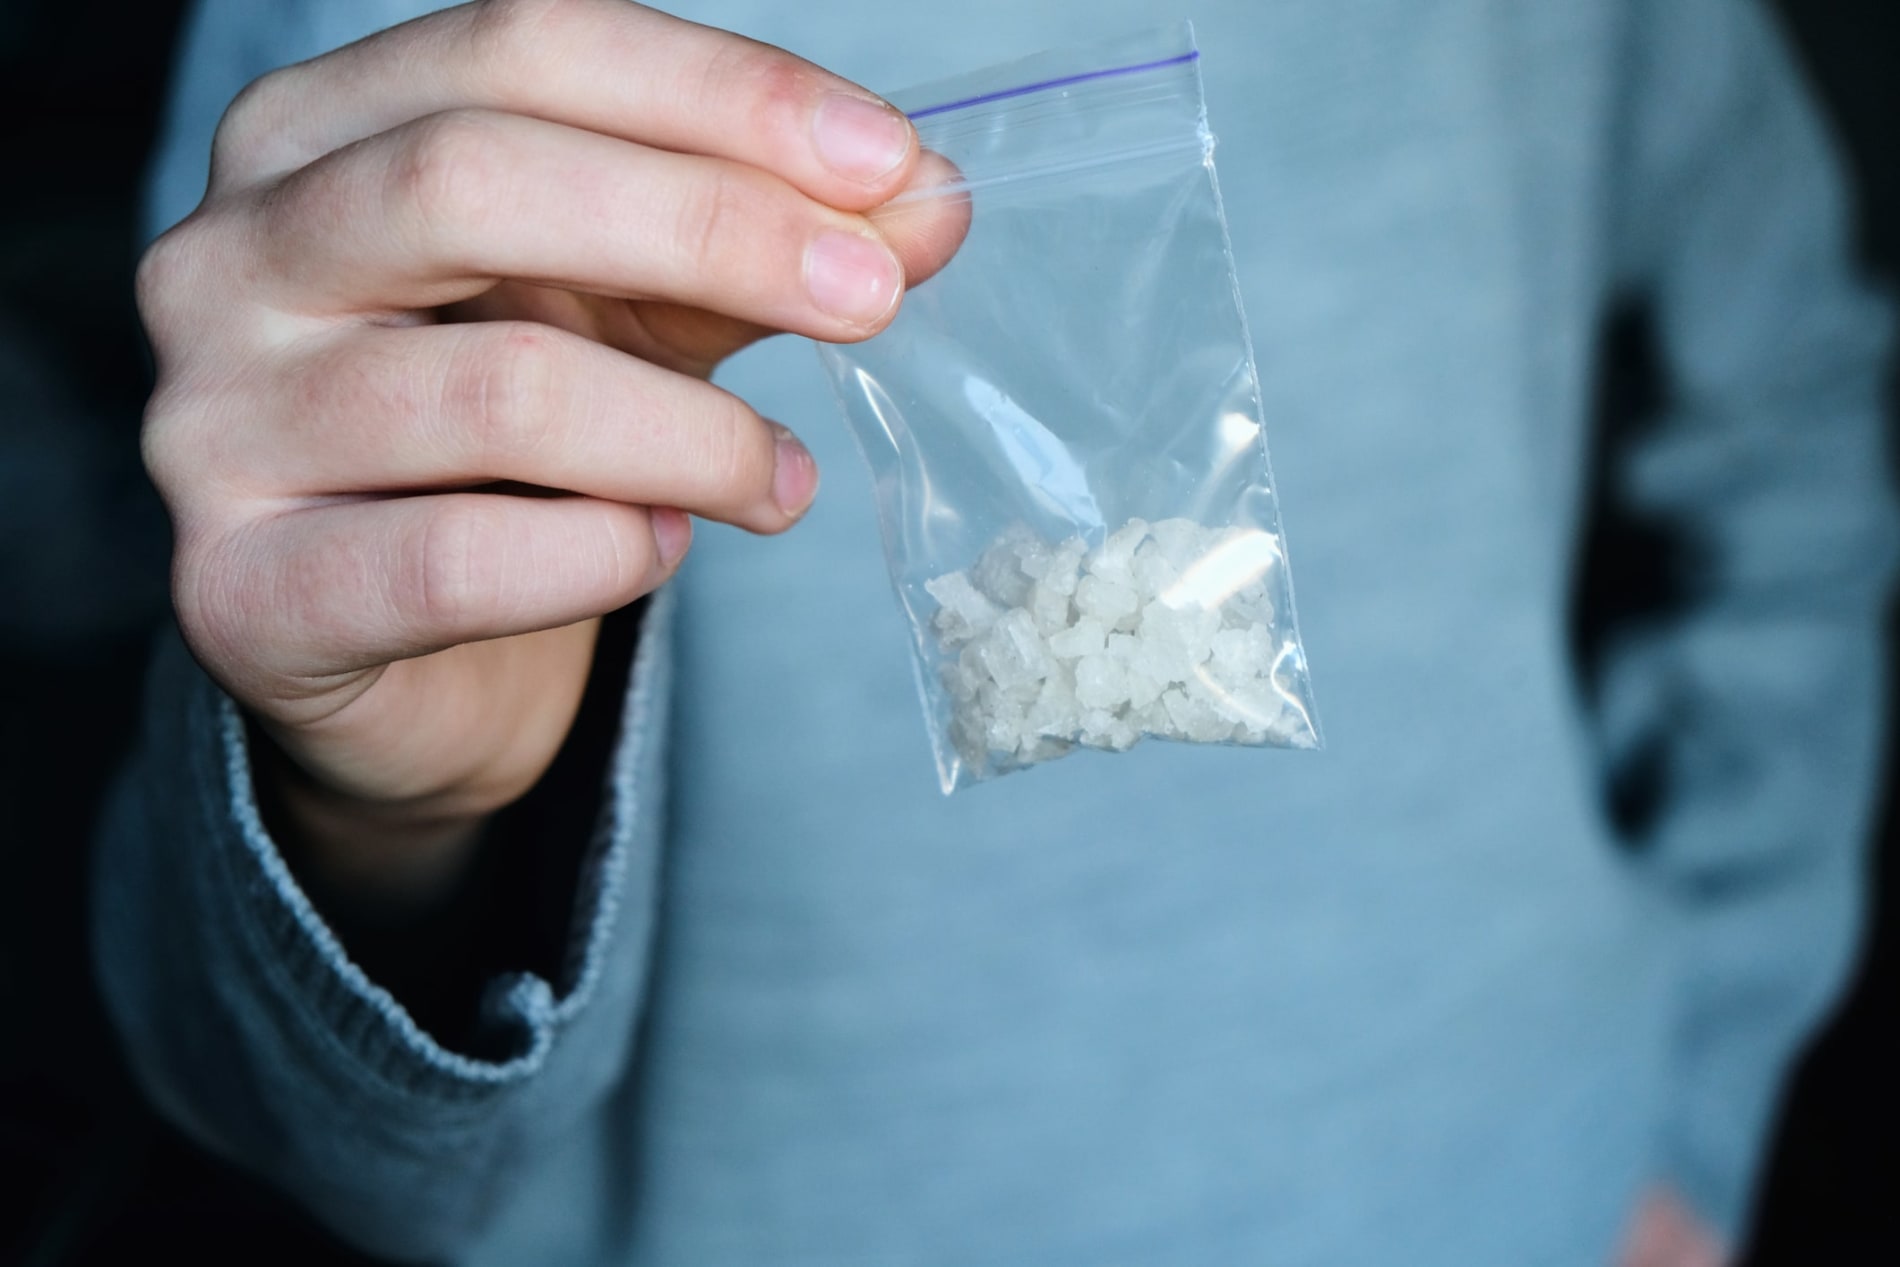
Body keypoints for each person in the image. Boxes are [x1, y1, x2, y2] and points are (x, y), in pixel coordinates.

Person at [93, 0, 1895, 1263]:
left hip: (1535, 1189)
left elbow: (1796, 399)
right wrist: (381, 828)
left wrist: (1712, 1063)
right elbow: (257, 1095)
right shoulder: (389, 68)